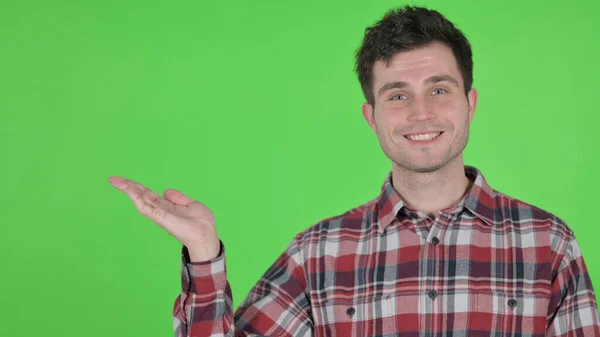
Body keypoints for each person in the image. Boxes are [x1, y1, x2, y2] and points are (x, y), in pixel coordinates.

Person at [108, 5, 600, 337]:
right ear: (372, 116)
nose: (421, 112)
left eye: (440, 89)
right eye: (398, 95)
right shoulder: (317, 255)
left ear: (470, 103)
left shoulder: (549, 245)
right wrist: (203, 253)